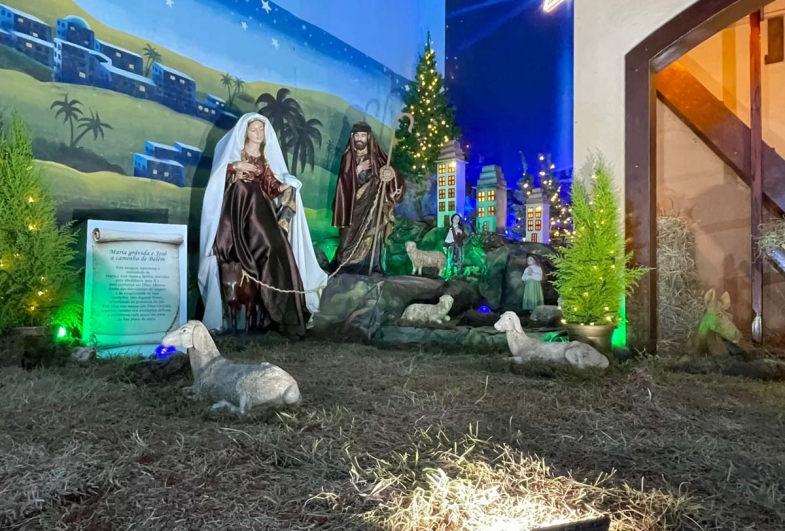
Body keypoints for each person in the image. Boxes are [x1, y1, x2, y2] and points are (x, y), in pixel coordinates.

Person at [198, 113, 327, 335]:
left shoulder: (263, 158)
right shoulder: (236, 153)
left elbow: (271, 184)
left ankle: (281, 311)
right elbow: (219, 176)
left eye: (261, 129)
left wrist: (287, 186)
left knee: (274, 246)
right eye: (254, 130)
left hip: (258, 211)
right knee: (244, 189)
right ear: (245, 132)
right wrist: (235, 167)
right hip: (236, 211)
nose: (258, 134)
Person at [331, 122, 405, 274]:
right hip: (352, 204)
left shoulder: (376, 157)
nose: (359, 139)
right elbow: (343, 182)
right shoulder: (348, 157)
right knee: (348, 235)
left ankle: (371, 267)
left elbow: (395, 176)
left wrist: (389, 174)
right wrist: (358, 169)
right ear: (353, 137)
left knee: (373, 231)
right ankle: (346, 265)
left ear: (369, 137)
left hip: (373, 203)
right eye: (357, 135)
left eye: (363, 136)